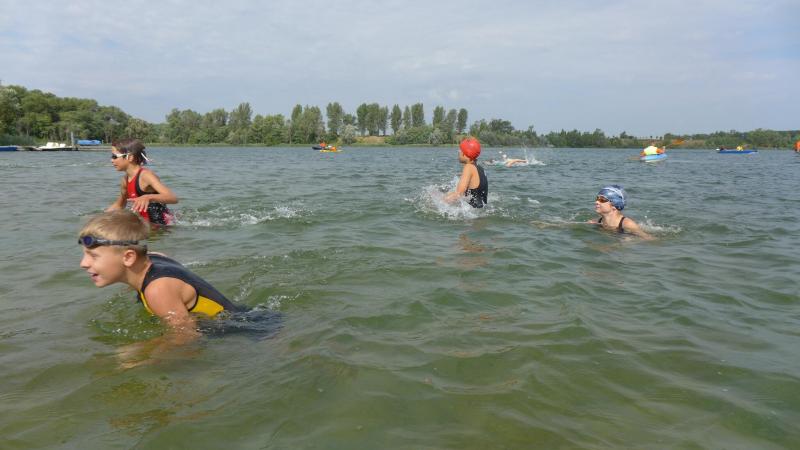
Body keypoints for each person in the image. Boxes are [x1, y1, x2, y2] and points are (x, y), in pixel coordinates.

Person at [78, 210, 243, 364]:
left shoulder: (157, 290)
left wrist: (141, 355)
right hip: (238, 316)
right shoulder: (152, 258)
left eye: (93, 256)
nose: (83, 263)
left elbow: (187, 337)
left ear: (128, 257)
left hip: (239, 332)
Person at [107, 138, 177, 226]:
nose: (111, 160)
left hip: (162, 227)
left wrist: (148, 197)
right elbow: (119, 205)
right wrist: (100, 218)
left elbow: (172, 198)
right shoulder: (125, 180)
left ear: (130, 157)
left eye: (114, 156)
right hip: (145, 226)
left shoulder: (146, 175)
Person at [445, 137, 488, 208]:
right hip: (481, 208)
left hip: (472, 212)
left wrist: (439, 202)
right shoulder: (480, 168)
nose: (458, 152)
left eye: (460, 150)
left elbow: (458, 194)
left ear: (465, 153)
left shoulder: (468, 167)